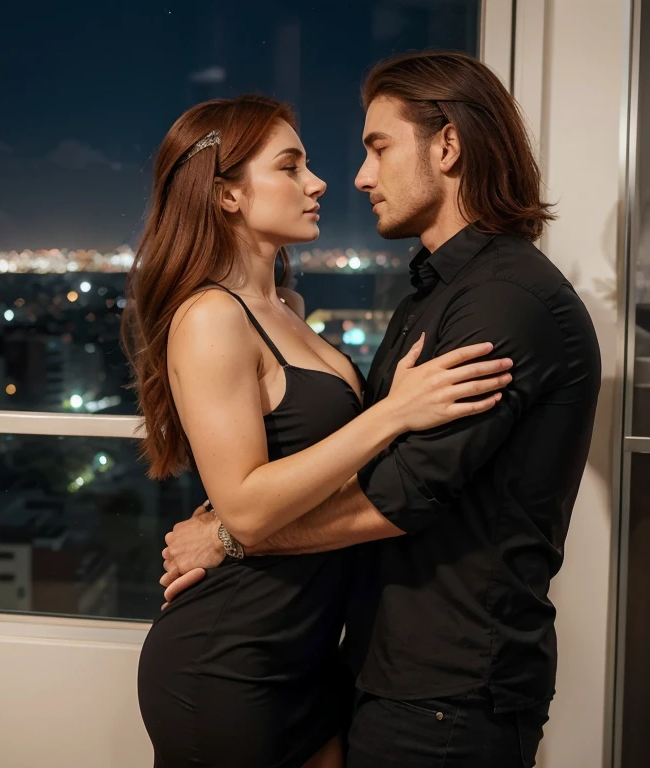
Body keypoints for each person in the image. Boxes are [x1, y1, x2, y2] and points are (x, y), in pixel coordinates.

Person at [159, 52, 602, 768]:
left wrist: (234, 535)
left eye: (378, 147)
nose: (355, 178)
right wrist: (237, 514)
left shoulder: (503, 302)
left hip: (444, 688)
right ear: (228, 194)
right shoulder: (433, 298)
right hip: (358, 670)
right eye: (293, 166)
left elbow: (403, 492)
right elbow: (355, 458)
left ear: (448, 146)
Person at [121, 93, 514, 768]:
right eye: (290, 166)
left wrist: (217, 526)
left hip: (309, 656)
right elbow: (247, 507)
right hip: (229, 662)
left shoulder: (287, 307)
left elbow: (271, 477)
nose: (320, 182)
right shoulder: (211, 318)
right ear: (228, 196)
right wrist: (394, 412)